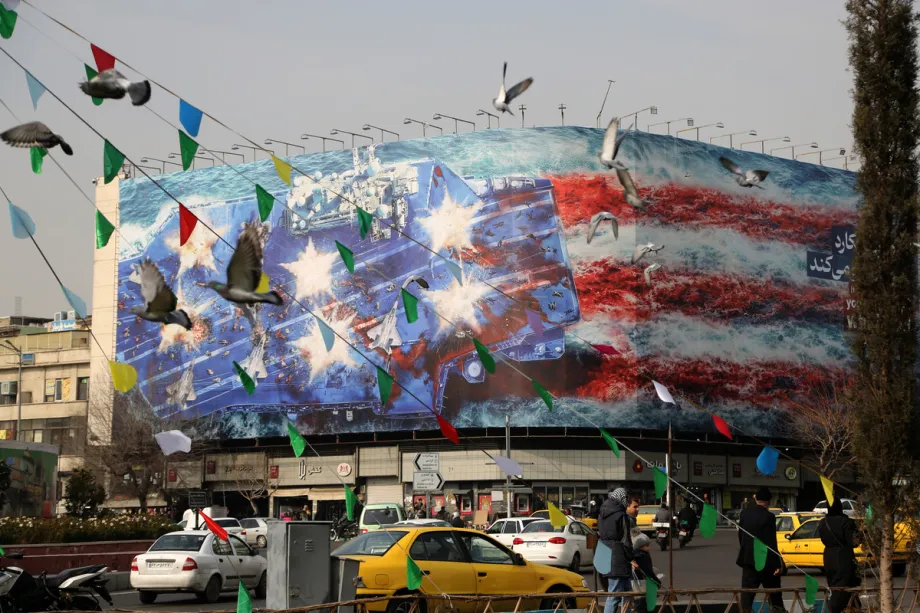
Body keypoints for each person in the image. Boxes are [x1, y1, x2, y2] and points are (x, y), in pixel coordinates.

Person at [737, 487, 785, 613]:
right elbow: (771, 542)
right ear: (768, 501)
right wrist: (777, 564)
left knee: (747, 597)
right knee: (774, 595)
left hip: (748, 561)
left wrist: (746, 551)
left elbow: (741, 536)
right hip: (765, 563)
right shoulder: (769, 517)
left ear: (756, 499)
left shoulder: (745, 514)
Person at [598, 487, 638, 613]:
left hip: (605, 553)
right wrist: (631, 557)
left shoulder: (602, 514)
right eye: (626, 498)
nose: (626, 501)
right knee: (614, 594)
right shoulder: (621, 516)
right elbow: (626, 540)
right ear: (621, 498)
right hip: (618, 557)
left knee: (626, 592)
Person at [819, 497, 859, 613]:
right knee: (844, 587)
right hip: (843, 557)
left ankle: (853, 607)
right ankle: (836, 609)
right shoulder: (846, 522)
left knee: (834, 585)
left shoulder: (823, 522)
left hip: (828, 557)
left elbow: (823, 539)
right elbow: (853, 542)